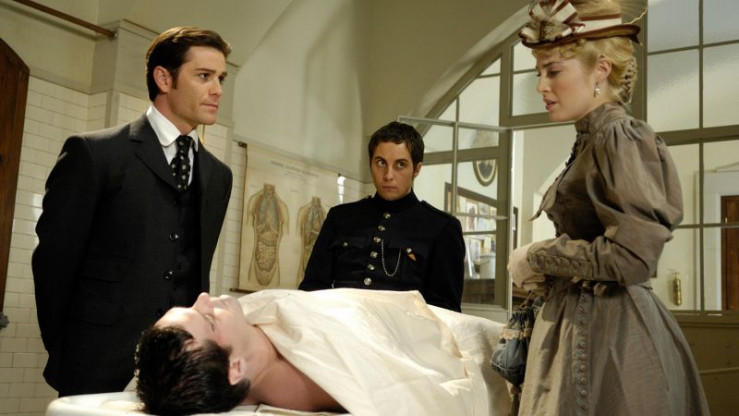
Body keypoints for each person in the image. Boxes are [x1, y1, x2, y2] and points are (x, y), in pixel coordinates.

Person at [507, 0, 710, 415]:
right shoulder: (591, 139)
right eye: (539, 72)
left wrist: (537, 256)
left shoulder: (619, 137)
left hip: (610, 336)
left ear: (600, 69)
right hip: (584, 324)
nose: (542, 86)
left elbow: (632, 257)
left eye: (553, 71)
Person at [32, 27, 234, 396]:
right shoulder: (96, 154)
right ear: (164, 79)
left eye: (221, 78)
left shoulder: (219, 176)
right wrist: (67, 349)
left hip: (177, 367)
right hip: (96, 361)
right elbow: (54, 263)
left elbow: (194, 270)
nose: (218, 89)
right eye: (204, 76)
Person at [134, 289, 509, 416]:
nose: (204, 297)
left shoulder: (243, 334)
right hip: (461, 343)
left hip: (426, 316)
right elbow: (405, 388)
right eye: (207, 318)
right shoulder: (324, 377)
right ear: (235, 369)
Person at [299, 121, 466, 311]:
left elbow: (445, 311)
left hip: (403, 329)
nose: (388, 175)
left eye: (400, 165)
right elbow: (312, 288)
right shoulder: (340, 217)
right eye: (381, 163)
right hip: (337, 323)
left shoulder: (441, 227)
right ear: (371, 164)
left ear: (416, 169)